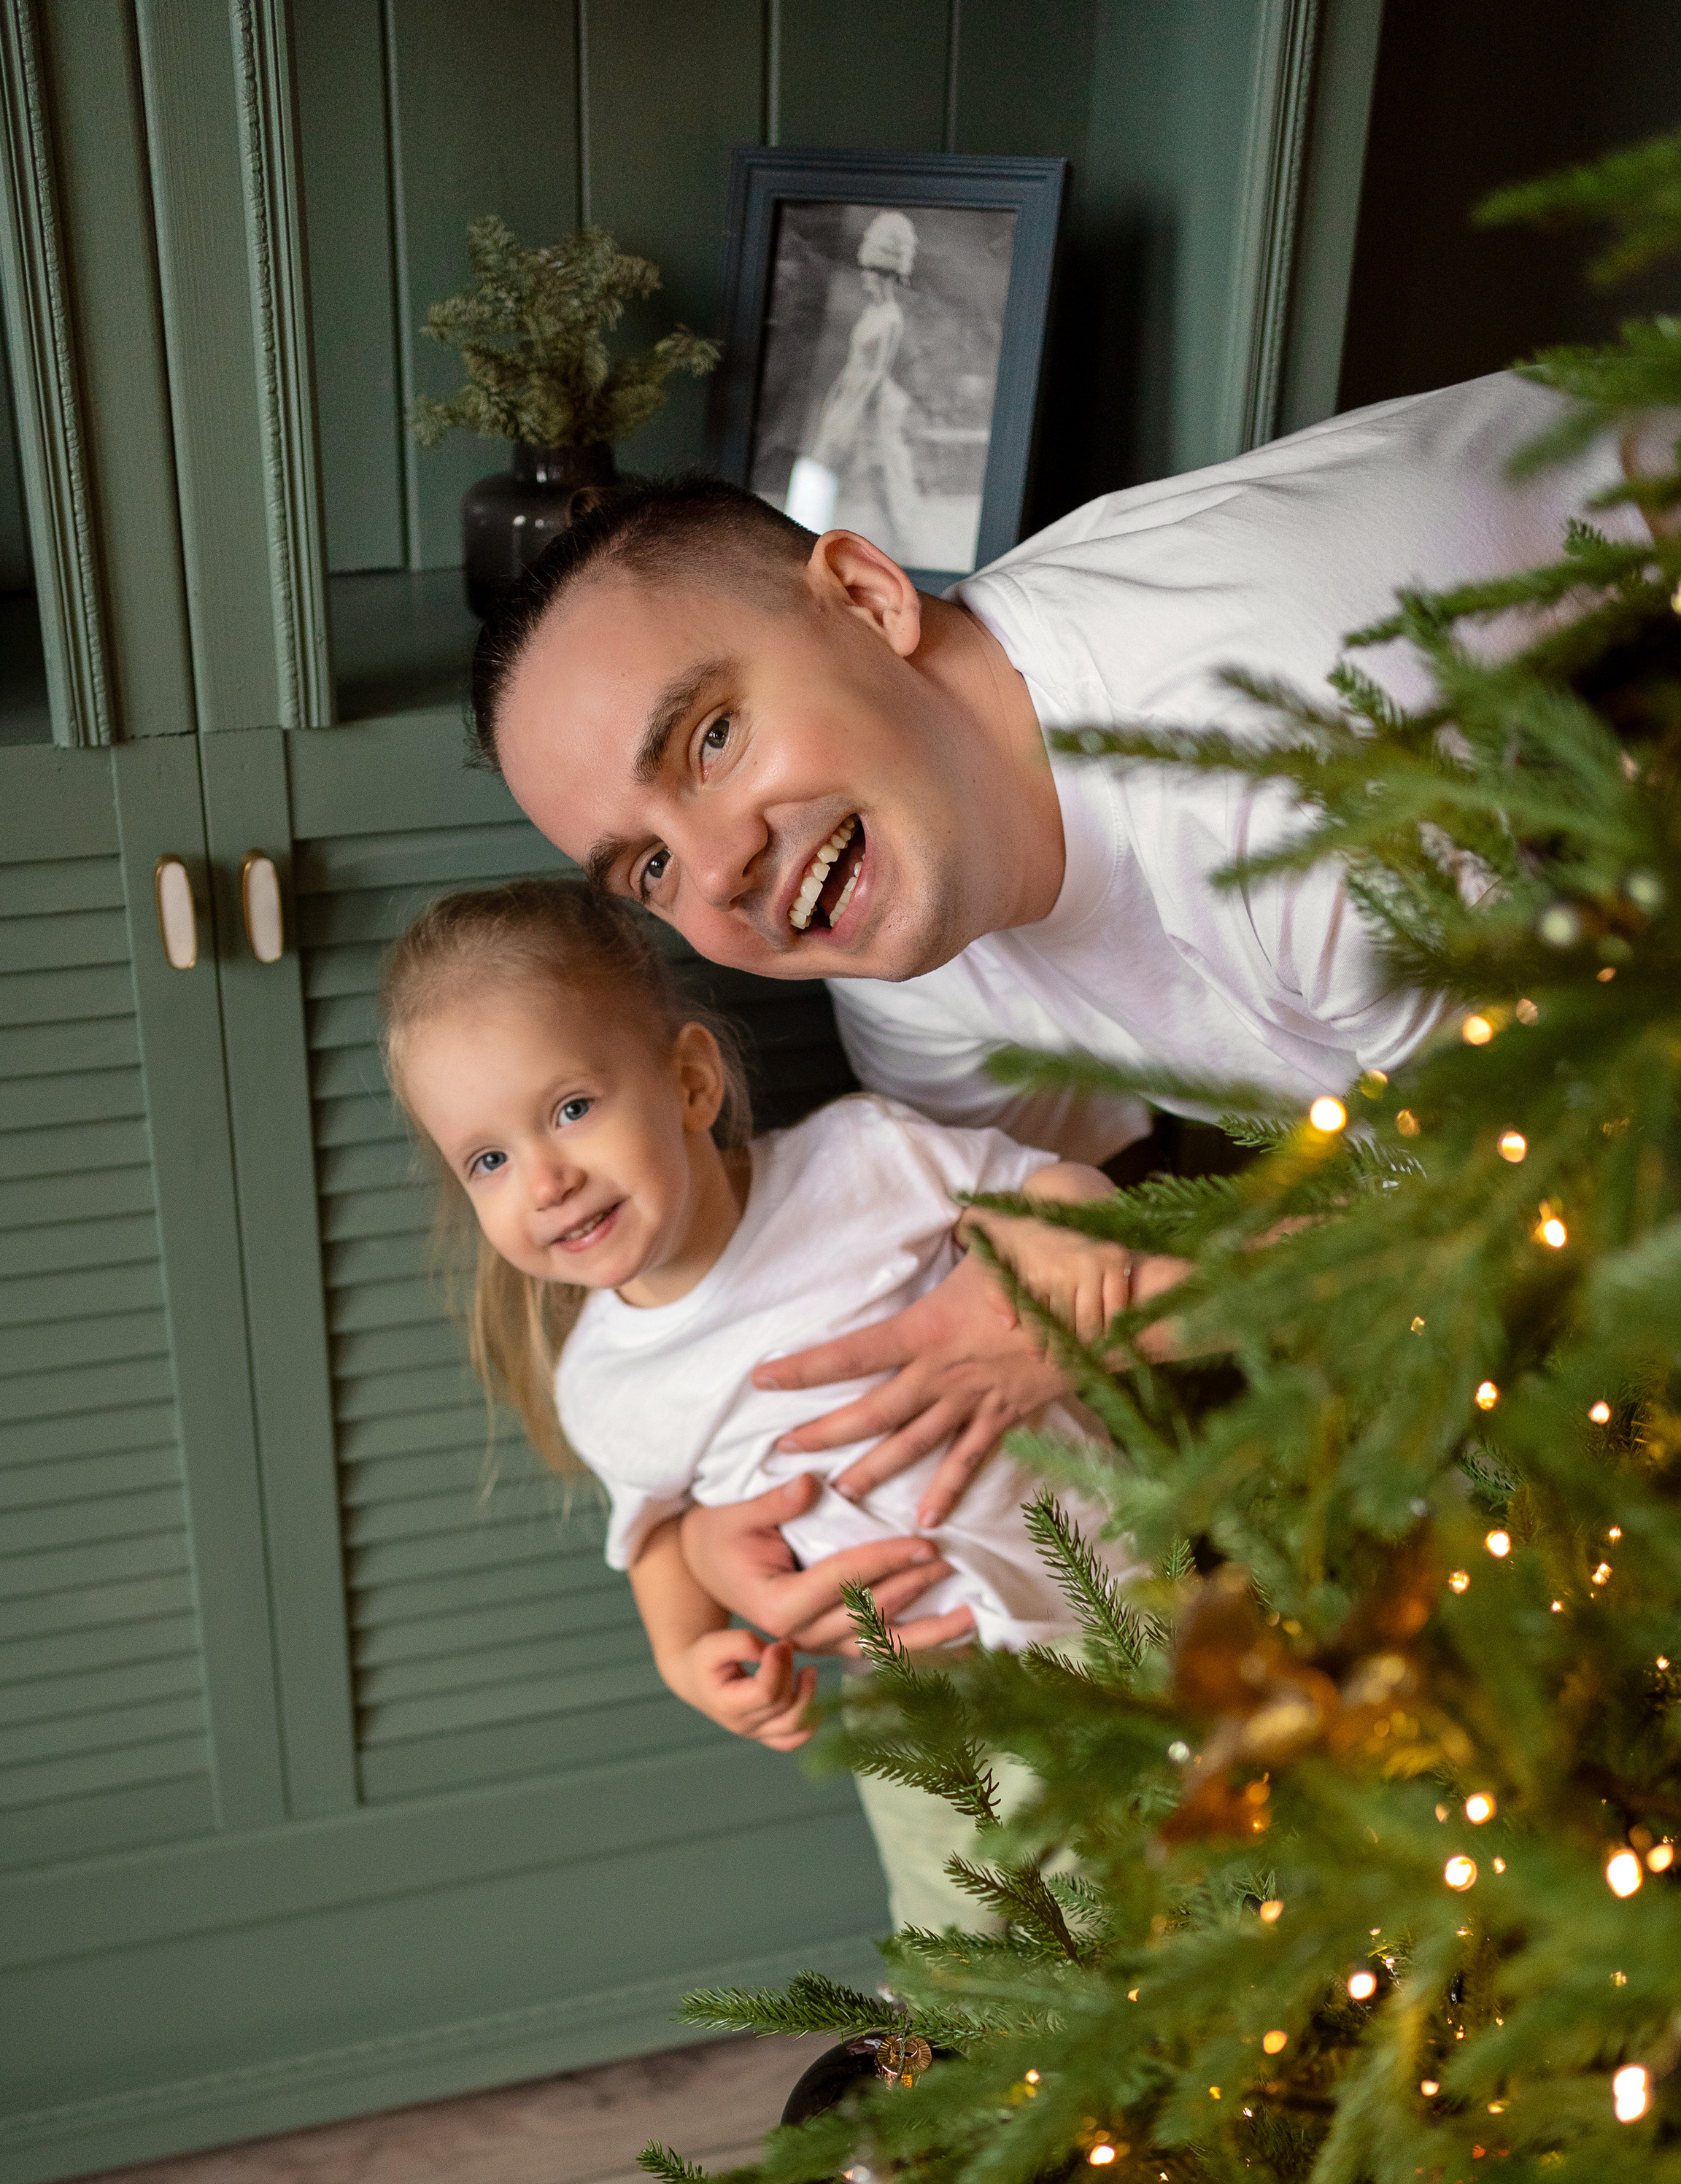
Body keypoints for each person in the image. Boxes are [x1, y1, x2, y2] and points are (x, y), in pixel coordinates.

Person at [466, 369, 1655, 1646]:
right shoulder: (906, 920)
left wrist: (1121, 1310)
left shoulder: (1285, 778)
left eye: (710, 740)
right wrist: (706, 1543)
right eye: (647, 869)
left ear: (868, 600)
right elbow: (973, 1273)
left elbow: (1563, 1200)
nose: (712, 874)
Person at [378, 878, 1186, 1929]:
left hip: (1114, 1595)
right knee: (968, 1939)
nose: (545, 1181)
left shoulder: (863, 1160)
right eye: (488, 1159)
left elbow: (1051, 1192)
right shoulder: (607, 1385)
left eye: (572, 1109)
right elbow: (659, 1534)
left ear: (689, 1082)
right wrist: (684, 1654)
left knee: (1193, 1881)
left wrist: (1065, 1222)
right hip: (915, 1692)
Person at [784, 209, 924, 562]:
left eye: (870, 272)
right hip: (850, 394)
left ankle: (898, 544)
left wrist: (853, 414)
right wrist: (837, 397)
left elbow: (876, 372)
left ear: (884, 276)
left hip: (868, 403)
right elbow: (854, 363)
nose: (864, 278)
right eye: (864, 270)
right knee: (837, 471)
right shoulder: (871, 314)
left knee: (875, 474)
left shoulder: (891, 318)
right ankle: (812, 541)